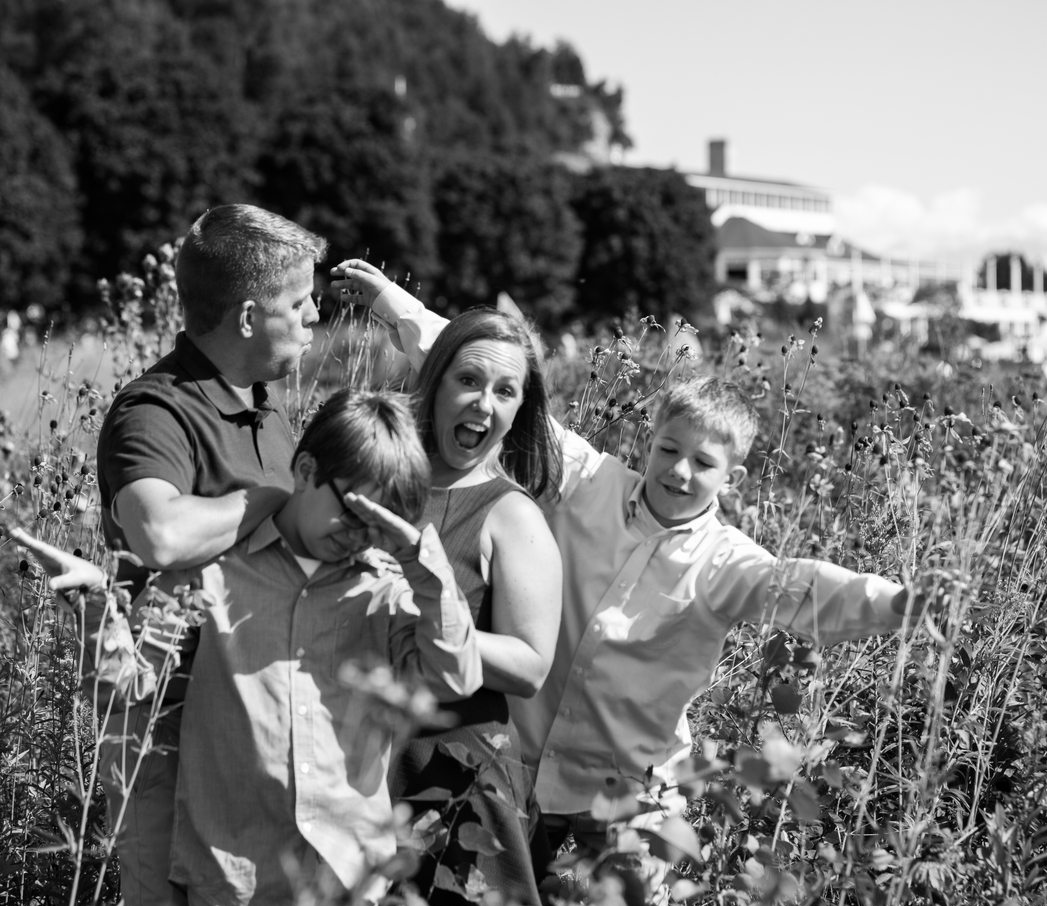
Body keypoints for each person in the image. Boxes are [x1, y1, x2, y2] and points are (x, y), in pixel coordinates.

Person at [333, 262, 928, 871]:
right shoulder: (587, 480)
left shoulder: (726, 563)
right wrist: (397, 306)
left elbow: (802, 588)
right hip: (522, 760)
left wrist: (894, 603)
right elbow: (501, 386)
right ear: (648, 441)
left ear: (734, 479)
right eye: (668, 450)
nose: (678, 471)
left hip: (632, 789)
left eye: (703, 463)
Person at [18, 388, 482, 906]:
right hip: (236, 887)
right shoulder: (212, 570)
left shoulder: (388, 589)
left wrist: (424, 566)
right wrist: (95, 607)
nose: (361, 537)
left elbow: (456, 679)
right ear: (307, 470)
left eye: (378, 525)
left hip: (341, 888)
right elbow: (131, 693)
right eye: (354, 512)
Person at [94, 204, 324, 906]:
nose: (316, 315)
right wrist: (267, 499)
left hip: (252, 739)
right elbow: (156, 533)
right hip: (166, 727)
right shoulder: (157, 408)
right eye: (301, 303)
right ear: (252, 315)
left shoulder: (270, 414)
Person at [336, 272, 563, 906]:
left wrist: (432, 612)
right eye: (468, 381)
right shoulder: (382, 482)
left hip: (453, 779)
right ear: (433, 384)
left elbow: (530, 662)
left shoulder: (510, 515)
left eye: (505, 392)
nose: (483, 404)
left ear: (522, 410)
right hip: (359, 759)